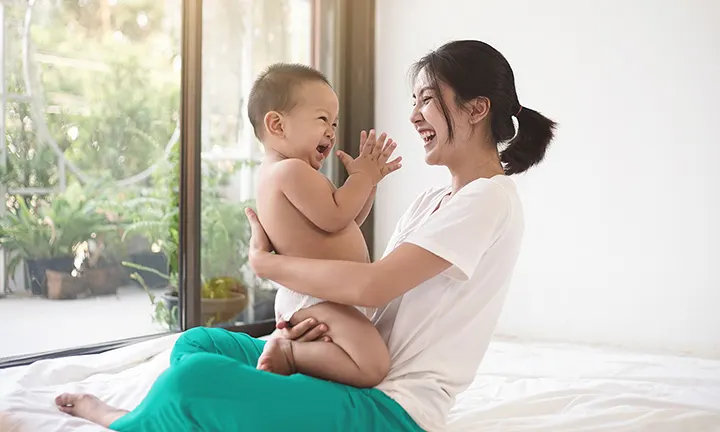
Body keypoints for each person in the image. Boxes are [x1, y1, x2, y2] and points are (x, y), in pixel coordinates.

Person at [55, 39, 556, 432]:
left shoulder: (489, 198)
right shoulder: (433, 200)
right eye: (414, 101)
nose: (413, 116)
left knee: (193, 379)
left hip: (393, 408)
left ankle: (121, 420)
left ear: (475, 109)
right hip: (346, 360)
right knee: (197, 344)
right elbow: (372, 295)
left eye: (427, 100)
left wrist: (267, 265)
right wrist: (304, 329)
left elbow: (372, 286)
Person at [247, 63, 401, 388]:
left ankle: (301, 366)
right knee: (372, 364)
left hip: (322, 294)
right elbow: (337, 216)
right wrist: (361, 177)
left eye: (335, 122)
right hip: (315, 298)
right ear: (277, 124)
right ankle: (287, 353)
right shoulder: (290, 171)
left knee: (360, 358)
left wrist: (369, 184)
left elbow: (348, 222)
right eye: (322, 119)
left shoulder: (291, 173)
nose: (331, 131)